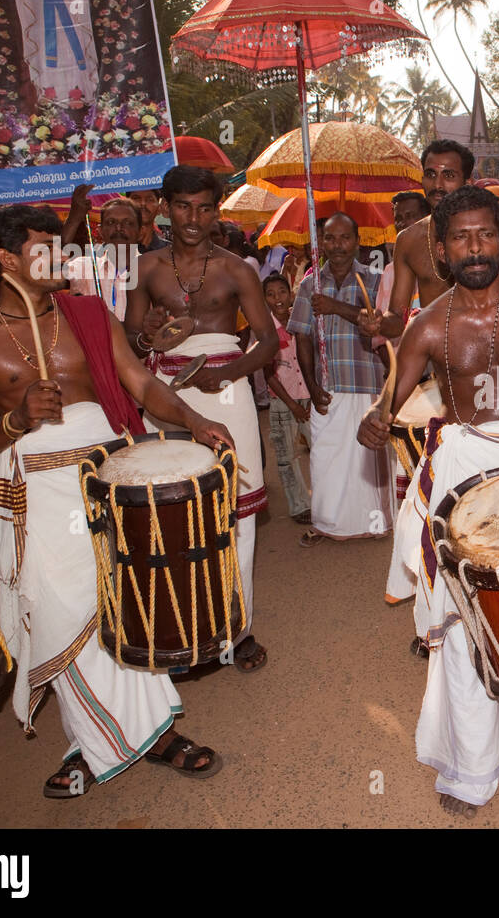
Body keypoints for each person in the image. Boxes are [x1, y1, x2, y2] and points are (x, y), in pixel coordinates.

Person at [0, 204, 232, 797]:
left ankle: (107, 743)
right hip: (37, 495)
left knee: (122, 603)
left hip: (111, 478)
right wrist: (16, 421)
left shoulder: (89, 313)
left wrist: (196, 422)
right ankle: (120, 739)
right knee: (64, 615)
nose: (63, 258)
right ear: (7, 259)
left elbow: (141, 384)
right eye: (47, 248)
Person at [357, 185, 499, 818]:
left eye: (486, 234)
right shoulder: (428, 325)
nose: (476, 247)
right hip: (461, 477)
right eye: (461, 237)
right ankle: (471, 764)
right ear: (440, 249)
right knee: (464, 628)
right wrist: (375, 422)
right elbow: (391, 400)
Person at [124, 165, 275, 673]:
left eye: (205, 207)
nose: (194, 218)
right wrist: (147, 337)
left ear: (217, 210)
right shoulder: (145, 269)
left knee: (236, 514)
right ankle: (187, 634)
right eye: (184, 206)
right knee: (172, 513)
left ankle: (239, 629)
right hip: (164, 394)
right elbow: (129, 343)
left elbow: (268, 341)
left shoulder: (238, 269)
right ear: (165, 208)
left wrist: (228, 372)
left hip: (227, 394)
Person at [288, 212, 392, 544]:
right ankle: (330, 524)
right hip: (329, 387)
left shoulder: (374, 281)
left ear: (358, 242)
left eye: (345, 238)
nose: (337, 245)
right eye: (329, 239)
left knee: (367, 457)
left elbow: (381, 324)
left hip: (369, 382)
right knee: (327, 457)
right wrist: (312, 385)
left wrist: (334, 306)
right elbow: (302, 337)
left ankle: (373, 522)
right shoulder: (309, 284)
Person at [375, 140, 499, 342]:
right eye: (431, 175)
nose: (438, 185)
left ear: (467, 182)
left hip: (490, 351)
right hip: (439, 360)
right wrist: (378, 323)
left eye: (448, 175)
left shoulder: (495, 237)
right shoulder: (408, 239)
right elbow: (398, 319)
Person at [262, 275, 313, 524]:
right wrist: (292, 405)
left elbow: (313, 359)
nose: (277, 299)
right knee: (287, 457)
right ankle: (299, 506)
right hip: (284, 403)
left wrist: (313, 394)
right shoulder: (264, 330)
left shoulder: (301, 321)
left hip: (309, 397)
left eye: (282, 292)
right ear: (264, 300)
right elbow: (268, 374)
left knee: (323, 451)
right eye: (270, 294)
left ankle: (326, 500)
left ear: (290, 295)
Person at [63, 195, 142, 321]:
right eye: (111, 222)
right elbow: (49, 269)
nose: (118, 229)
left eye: (127, 223)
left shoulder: (153, 270)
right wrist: (74, 217)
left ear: (140, 231)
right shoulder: (83, 267)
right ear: (100, 231)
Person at [373, 191, 431, 353]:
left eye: (410, 216)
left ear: (427, 219)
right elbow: (381, 337)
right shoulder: (390, 271)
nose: (403, 223)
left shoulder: (442, 263)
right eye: (398, 219)